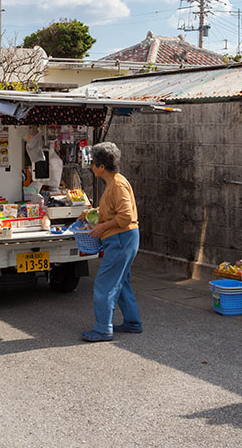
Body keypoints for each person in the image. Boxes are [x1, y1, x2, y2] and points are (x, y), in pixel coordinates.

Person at [79, 142, 142, 342]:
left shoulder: (118, 185)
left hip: (121, 239)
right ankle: (132, 323)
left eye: (93, 164)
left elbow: (125, 216)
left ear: (101, 167)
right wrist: (91, 213)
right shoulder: (115, 182)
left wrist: (101, 228)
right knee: (120, 281)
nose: (91, 167)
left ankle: (103, 329)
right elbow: (111, 211)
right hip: (124, 238)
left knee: (104, 284)